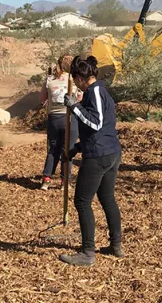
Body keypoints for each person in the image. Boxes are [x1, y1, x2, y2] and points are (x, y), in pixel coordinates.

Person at [59, 55, 123, 267]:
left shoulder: (95, 93)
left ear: (79, 78)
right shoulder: (99, 90)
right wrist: (76, 148)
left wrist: (74, 107)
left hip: (100, 156)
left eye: (74, 80)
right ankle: (115, 245)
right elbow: (97, 129)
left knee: (82, 201)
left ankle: (87, 252)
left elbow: (95, 123)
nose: (75, 85)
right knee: (107, 198)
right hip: (109, 151)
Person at [39, 54, 80, 191]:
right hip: (70, 118)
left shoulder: (49, 78)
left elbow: (42, 98)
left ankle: (46, 179)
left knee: (53, 150)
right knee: (67, 150)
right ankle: (65, 181)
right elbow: (80, 97)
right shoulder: (74, 79)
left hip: (54, 119)